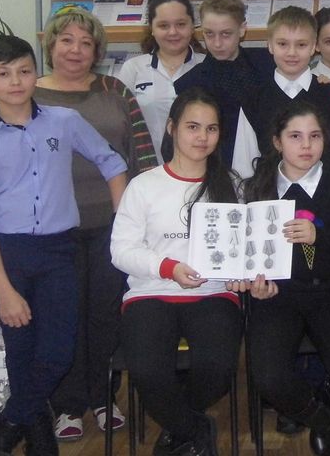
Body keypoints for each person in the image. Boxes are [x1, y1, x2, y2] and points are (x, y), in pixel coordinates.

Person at [0, 36, 127, 456]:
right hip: (8, 256)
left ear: (36, 73)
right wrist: (3, 290)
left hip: (59, 253)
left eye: (23, 70)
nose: (15, 81)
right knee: (20, 355)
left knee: (56, 353)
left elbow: (111, 161)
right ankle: (40, 445)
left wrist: (120, 222)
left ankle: (5, 430)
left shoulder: (64, 121)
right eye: (3, 74)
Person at [34, 8, 158, 441]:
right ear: (51, 45)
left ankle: (105, 396)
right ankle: (67, 405)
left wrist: (147, 216)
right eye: (67, 40)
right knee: (63, 315)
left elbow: (142, 153)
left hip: (113, 223)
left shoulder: (114, 89)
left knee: (105, 313)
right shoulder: (29, 93)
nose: (76, 50)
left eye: (86, 43)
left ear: (97, 52)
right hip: (51, 228)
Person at [110, 87, 243, 456]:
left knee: (218, 369)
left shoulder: (231, 184)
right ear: (172, 128)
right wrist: (168, 267)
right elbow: (121, 250)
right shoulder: (144, 185)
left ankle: (179, 428)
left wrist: (243, 273)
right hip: (151, 292)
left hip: (213, 292)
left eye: (211, 129)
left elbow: (241, 247)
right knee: (147, 371)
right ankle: (194, 429)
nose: (202, 137)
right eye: (192, 127)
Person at [241, 100, 330, 456]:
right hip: (278, 298)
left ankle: (319, 404)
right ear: (277, 141)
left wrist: (320, 237)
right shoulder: (258, 186)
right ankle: (328, 423)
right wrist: (254, 284)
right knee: (268, 376)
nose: (306, 145)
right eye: (295, 136)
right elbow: (248, 255)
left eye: (315, 136)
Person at [232, 6, 330, 184]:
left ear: (313, 47)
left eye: (301, 45)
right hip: (270, 197)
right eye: (282, 44)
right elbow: (243, 164)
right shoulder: (253, 98)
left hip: (325, 197)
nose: (291, 53)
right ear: (270, 45)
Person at [174, 0, 274, 165]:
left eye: (226, 34)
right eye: (209, 34)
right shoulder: (190, 84)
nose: (217, 43)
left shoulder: (269, 64)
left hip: (270, 169)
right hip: (216, 172)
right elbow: (179, 143)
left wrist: (320, 81)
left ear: (242, 29)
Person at [116, 0, 206, 161]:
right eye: (163, 26)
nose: (173, 32)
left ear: (192, 26)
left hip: (203, 169)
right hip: (148, 168)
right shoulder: (133, 68)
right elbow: (120, 126)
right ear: (152, 28)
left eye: (181, 24)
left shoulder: (208, 65)